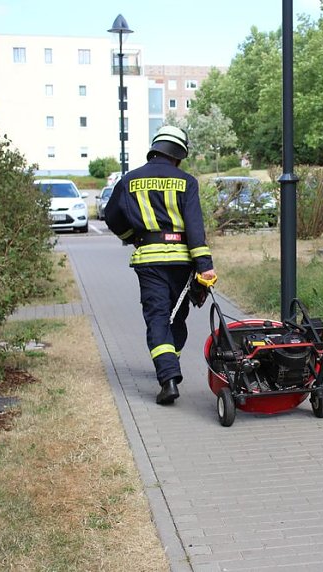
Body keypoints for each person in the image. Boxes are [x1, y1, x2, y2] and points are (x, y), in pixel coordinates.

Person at [105, 125, 217, 405]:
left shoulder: (129, 180)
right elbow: (194, 227)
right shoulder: (187, 181)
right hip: (182, 262)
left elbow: (111, 216)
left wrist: (132, 237)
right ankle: (169, 365)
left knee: (157, 316)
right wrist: (204, 265)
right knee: (176, 316)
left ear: (154, 149)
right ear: (178, 155)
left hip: (149, 260)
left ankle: (168, 376)